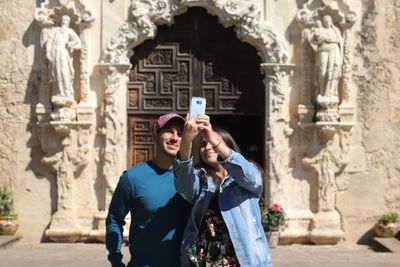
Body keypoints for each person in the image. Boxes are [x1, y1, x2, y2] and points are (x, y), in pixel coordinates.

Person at [174, 114, 272, 267]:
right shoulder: (200, 179)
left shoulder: (246, 175)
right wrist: (186, 140)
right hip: (206, 261)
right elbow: (183, 185)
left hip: (244, 260)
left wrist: (213, 138)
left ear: (228, 147)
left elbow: (250, 177)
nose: (207, 147)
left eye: (212, 142)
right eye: (203, 143)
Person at [106, 113, 192, 267]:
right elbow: (114, 220)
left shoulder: (194, 180)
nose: (175, 138)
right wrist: (115, 259)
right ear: (155, 136)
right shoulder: (132, 178)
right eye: (169, 131)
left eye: (180, 134)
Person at [46, 15, 81, 106]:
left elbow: (79, 43)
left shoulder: (70, 31)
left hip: (63, 52)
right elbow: (49, 41)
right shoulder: (55, 30)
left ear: (69, 22)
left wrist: (70, 44)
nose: (65, 20)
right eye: (63, 19)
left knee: (64, 72)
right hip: (55, 52)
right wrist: (48, 52)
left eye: (67, 19)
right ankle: (59, 92)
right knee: (56, 73)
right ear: (61, 21)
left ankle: (67, 91)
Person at [311, 15, 342, 99]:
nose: (328, 22)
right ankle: (322, 90)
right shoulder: (320, 30)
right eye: (326, 21)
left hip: (334, 49)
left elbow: (340, 39)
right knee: (322, 71)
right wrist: (322, 40)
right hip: (323, 50)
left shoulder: (335, 30)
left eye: (329, 21)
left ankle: (331, 91)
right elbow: (312, 42)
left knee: (333, 69)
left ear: (331, 21)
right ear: (323, 22)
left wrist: (331, 40)